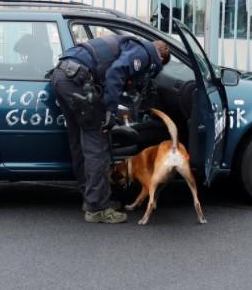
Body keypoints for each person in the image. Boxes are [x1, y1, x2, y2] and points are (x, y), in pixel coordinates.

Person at [48, 32, 170, 224]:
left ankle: (92, 199)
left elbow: (109, 72)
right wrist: (111, 113)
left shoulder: (131, 44)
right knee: (98, 144)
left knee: (80, 143)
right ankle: (97, 209)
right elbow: (115, 73)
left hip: (64, 77)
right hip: (77, 81)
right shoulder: (145, 54)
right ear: (160, 60)